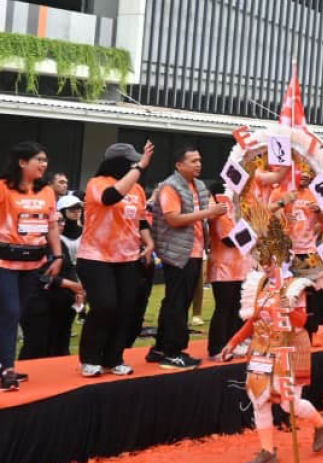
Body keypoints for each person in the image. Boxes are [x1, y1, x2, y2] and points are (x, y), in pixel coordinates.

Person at [217, 272, 323, 463]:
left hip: (290, 348)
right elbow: (253, 320)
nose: (266, 263)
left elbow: (302, 322)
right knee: (259, 398)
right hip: (262, 349)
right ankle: (268, 451)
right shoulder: (259, 283)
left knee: (289, 404)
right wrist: (233, 341)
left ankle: (322, 423)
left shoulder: (296, 286)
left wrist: (285, 307)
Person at [78, 142, 154, 376]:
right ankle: (90, 357)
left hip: (127, 258)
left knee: (125, 308)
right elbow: (111, 197)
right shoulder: (96, 184)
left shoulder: (138, 190)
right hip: (96, 257)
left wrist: (149, 242)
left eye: (136, 161)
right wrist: (140, 168)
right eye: (130, 161)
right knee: (105, 305)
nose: (133, 165)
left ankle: (114, 357)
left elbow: (140, 220)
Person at [149, 146, 223, 370]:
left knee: (177, 301)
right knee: (177, 303)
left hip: (195, 251)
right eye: (192, 161)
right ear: (179, 165)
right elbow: (174, 220)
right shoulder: (170, 187)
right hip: (177, 252)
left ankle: (161, 347)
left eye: (199, 160)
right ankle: (173, 352)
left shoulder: (200, 186)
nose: (198, 164)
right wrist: (208, 213)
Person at [0, 141, 62, 391]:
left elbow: (52, 226)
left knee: (14, 315)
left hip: (33, 263)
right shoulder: (4, 188)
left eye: (46, 160)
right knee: (11, 312)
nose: (44, 165)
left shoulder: (46, 191)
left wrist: (57, 257)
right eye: (39, 159)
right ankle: (8, 369)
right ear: (22, 162)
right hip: (4, 262)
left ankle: (4, 363)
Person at [19, 194, 83, 360]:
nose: (61, 224)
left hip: (60, 301)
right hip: (36, 301)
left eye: (62, 221)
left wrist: (76, 288)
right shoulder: (34, 242)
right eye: (57, 221)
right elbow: (39, 276)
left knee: (58, 343)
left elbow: (68, 268)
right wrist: (70, 284)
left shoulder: (59, 244)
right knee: (36, 343)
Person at [206, 182, 253, 359]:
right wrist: (255, 232)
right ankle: (216, 348)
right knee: (224, 307)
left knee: (236, 307)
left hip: (241, 266)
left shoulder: (241, 207)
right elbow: (228, 238)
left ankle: (232, 344)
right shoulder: (220, 204)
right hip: (223, 267)